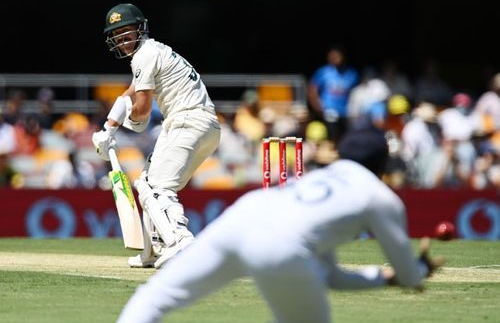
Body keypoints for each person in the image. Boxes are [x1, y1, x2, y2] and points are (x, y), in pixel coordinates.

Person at [116, 125, 443, 323]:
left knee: (154, 296)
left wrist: (382, 278)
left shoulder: (320, 178)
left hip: (243, 215)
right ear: (383, 164)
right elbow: (411, 278)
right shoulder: (381, 197)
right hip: (284, 245)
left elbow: (330, 276)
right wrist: (415, 269)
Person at [92, 3, 221, 269]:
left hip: (187, 121)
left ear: (141, 29)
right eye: (117, 35)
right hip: (204, 125)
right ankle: (154, 250)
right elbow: (131, 92)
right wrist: (108, 128)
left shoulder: (144, 55)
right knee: (146, 181)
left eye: (126, 33)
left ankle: (180, 241)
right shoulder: (154, 51)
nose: (122, 40)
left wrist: (124, 127)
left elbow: (140, 112)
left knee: (156, 187)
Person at [308, 44, 359, 144]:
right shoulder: (324, 72)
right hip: (329, 111)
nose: (335, 58)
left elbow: (357, 92)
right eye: (333, 56)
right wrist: (319, 107)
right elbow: (312, 89)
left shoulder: (351, 73)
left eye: (337, 55)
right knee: (331, 138)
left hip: (346, 112)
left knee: (346, 138)